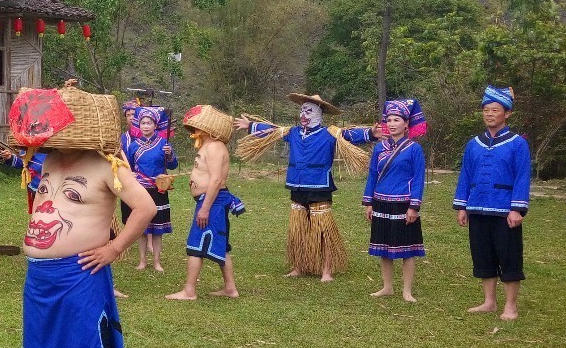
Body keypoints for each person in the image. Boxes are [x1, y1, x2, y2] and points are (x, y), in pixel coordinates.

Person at [5, 84, 155, 348]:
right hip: (40, 271)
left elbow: (146, 207)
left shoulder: (108, 165)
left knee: (89, 340)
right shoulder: (50, 159)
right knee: (40, 334)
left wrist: (115, 247)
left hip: (81, 271)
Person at [233, 93, 380, 281]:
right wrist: (251, 126)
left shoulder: (330, 134)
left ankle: (326, 271)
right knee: (298, 227)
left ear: (318, 114)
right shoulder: (293, 132)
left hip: (319, 185)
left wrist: (371, 134)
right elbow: (273, 130)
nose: (304, 114)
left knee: (323, 229)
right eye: (302, 110)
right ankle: (298, 266)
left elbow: (349, 135)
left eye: (309, 111)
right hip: (297, 184)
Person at [455, 86, 531, 321]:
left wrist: (517, 208)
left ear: (506, 113)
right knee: (482, 254)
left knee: (509, 256)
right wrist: (461, 205)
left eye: (495, 110)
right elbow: (465, 175)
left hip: (504, 210)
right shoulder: (473, 144)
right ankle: (489, 301)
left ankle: (511, 306)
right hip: (477, 207)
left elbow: (522, 176)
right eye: (486, 110)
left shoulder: (518, 144)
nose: (489, 114)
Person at [167, 105, 243, 300]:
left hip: (212, 202)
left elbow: (216, 180)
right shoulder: (207, 146)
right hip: (209, 201)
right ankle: (230, 288)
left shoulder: (216, 147)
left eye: (197, 127)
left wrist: (205, 208)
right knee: (221, 245)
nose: (194, 131)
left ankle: (189, 291)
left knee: (196, 245)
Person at [364, 99, 428, 302]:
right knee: (384, 247)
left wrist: (414, 206)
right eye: (389, 120)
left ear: (406, 124)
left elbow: (418, 178)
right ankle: (387, 287)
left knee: (407, 249)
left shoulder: (414, 149)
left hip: (403, 203)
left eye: (397, 120)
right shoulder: (379, 148)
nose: (392, 124)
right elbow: (372, 176)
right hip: (381, 201)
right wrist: (369, 202)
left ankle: (406, 291)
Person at [122, 106, 177, 271]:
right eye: (143, 123)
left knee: (158, 229)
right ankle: (142, 261)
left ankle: (157, 262)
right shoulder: (133, 146)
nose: (145, 126)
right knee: (142, 229)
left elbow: (173, 165)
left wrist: (170, 155)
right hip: (141, 190)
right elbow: (129, 167)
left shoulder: (164, 144)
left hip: (158, 189)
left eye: (149, 123)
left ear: (155, 125)